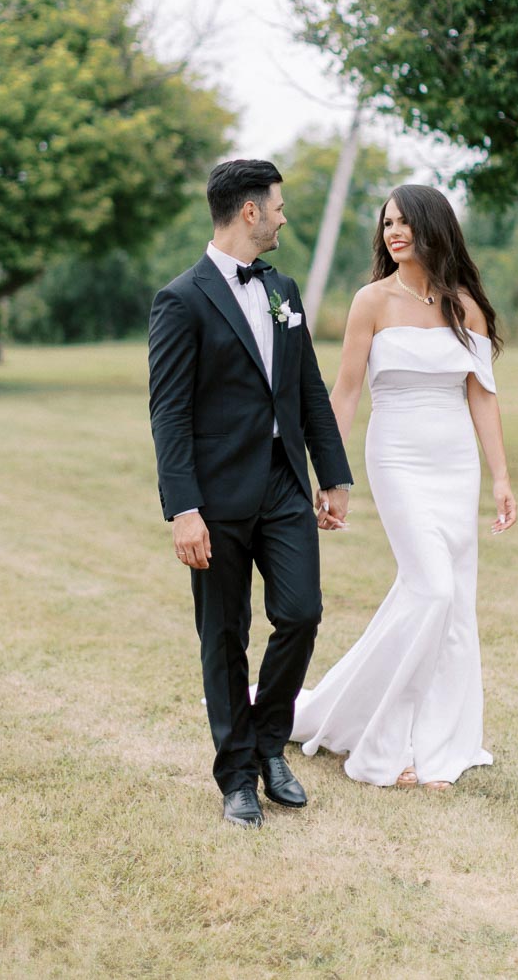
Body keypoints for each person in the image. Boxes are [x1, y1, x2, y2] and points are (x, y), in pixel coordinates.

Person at [148, 159, 354, 828]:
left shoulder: (282, 289)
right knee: (224, 635)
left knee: (301, 613)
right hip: (216, 497)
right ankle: (236, 775)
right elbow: (169, 414)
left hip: (284, 484)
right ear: (249, 212)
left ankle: (269, 744)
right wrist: (184, 509)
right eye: (278, 206)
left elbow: (308, 388)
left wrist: (333, 476)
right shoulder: (181, 300)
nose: (284, 216)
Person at [295, 184, 517, 788]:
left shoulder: (465, 307)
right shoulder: (371, 301)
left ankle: (439, 744)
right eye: (387, 223)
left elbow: (482, 396)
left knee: (452, 602)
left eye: (404, 222)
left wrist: (500, 476)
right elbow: (346, 391)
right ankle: (381, 749)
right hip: (395, 458)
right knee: (433, 589)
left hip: (455, 463)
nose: (393, 232)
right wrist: (331, 473)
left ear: (432, 227)